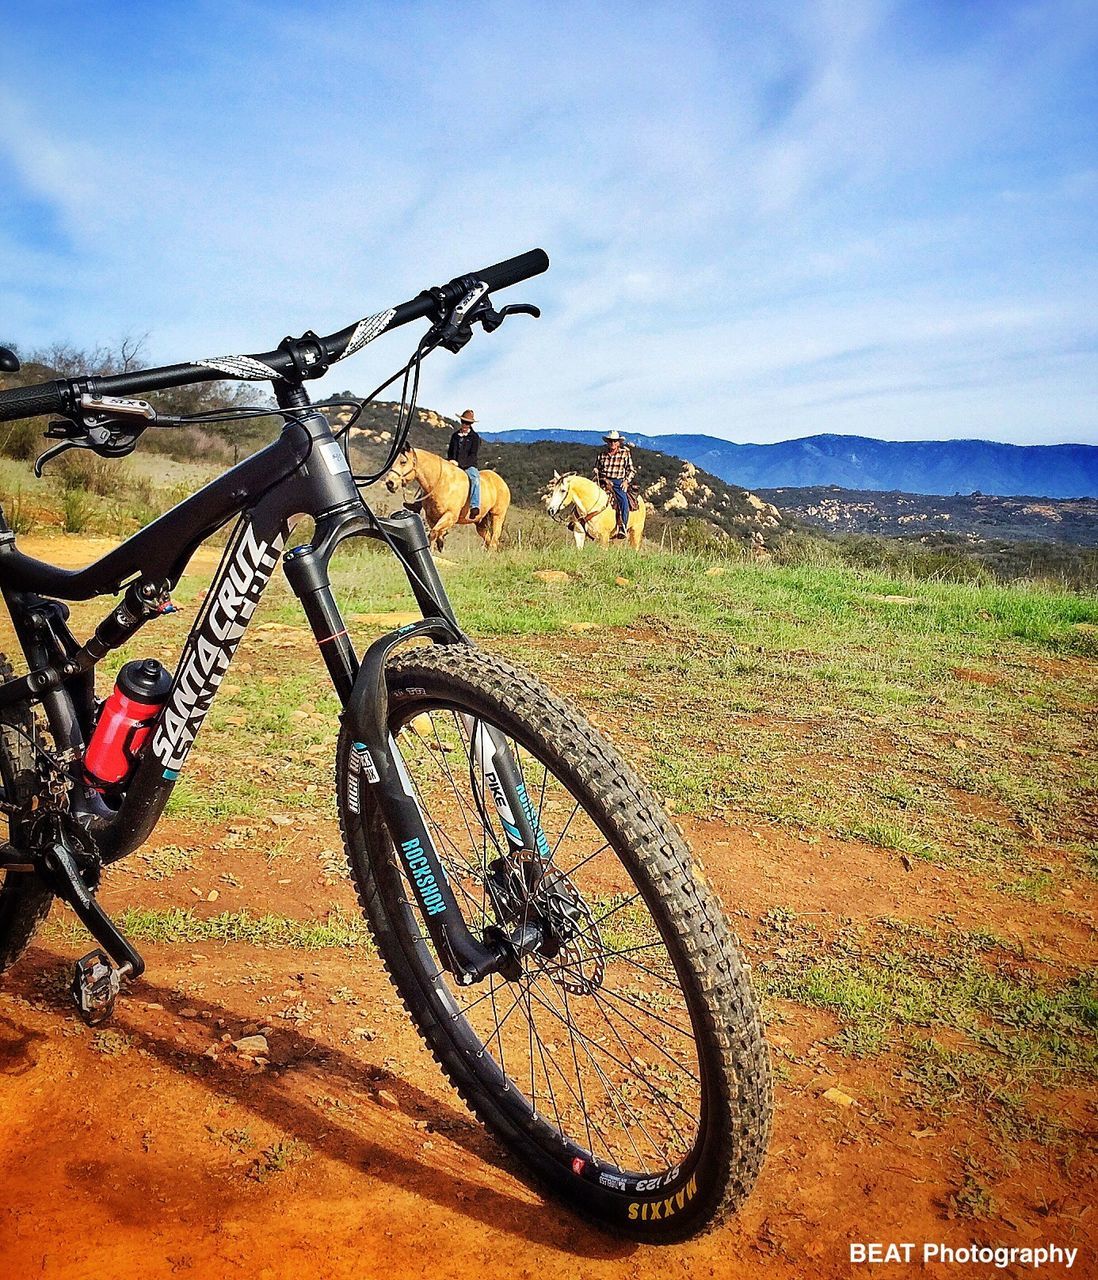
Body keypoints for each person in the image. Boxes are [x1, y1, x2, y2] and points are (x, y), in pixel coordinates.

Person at [593, 429, 635, 539]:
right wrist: (596, 472)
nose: (613, 443)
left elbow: (631, 470)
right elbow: (597, 468)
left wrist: (626, 481)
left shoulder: (624, 453)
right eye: (611, 441)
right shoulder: (601, 454)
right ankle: (578, 520)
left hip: (618, 482)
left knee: (623, 501)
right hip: (603, 480)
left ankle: (622, 527)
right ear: (607, 442)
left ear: (619, 442)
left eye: (615, 441)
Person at [447, 409, 481, 519]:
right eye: (464, 422)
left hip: (468, 465)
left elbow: (473, 455)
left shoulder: (475, 438)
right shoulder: (455, 436)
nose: (466, 425)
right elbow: (450, 452)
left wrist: (460, 464)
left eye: (468, 423)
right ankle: (418, 504)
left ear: (471, 424)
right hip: (453, 464)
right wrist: (451, 460)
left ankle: (474, 506)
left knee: (474, 478)